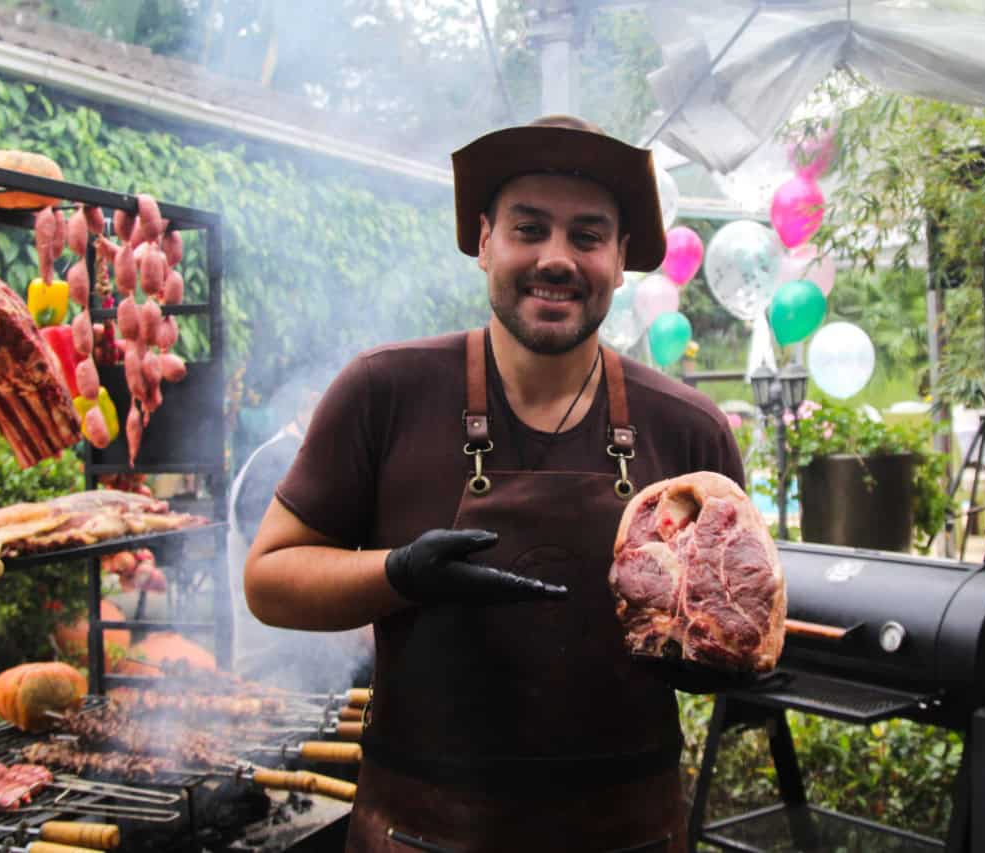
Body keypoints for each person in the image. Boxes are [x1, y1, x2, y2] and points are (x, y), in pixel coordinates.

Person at [244, 115, 746, 852]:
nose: (556, 259)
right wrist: (400, 573)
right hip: (419, 832)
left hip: (629, 834)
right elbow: (268, 578)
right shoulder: (385, 392)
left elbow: (739, 616)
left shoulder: (689, 432)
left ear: (622, 256)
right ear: (484, 243)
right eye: (529, 228)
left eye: (587, 236)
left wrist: (720, 653)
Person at [227, 370, 373, 691]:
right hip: (279, 683)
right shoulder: (274, 467)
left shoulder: (314, 463)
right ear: (312, 401)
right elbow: (296, 581)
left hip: (324, 677)